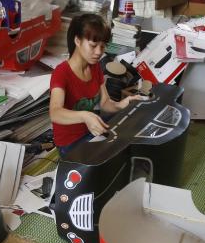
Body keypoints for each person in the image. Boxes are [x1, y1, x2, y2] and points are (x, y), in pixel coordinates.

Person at [49, 13, 146, 154]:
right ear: (77, 40)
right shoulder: (61, 72)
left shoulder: (94, 67)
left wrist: (123, 104)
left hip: (90, 129)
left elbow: (105, 102)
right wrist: (85, 116)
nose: (99, 52)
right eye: (93, 45)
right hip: (70, 143)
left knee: (129, 127)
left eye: (103, 46)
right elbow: (55, 113)